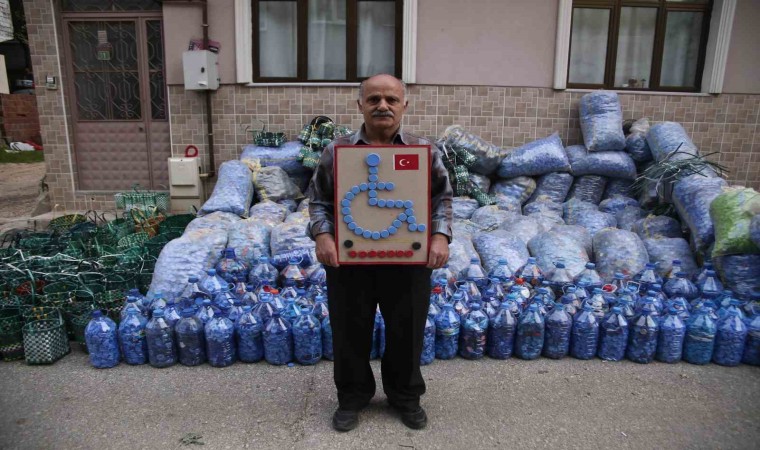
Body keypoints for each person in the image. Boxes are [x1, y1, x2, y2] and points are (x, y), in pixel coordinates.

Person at [308, 74, 453, 432]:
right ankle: (352, 397)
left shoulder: (424, 151)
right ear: (361, 105)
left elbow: (442, 198)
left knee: (407, 330)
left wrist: (440, 236)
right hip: (350, 261)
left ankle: (405, 396)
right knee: (349, 331)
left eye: (391, 99)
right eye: (374, 99)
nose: (382, 106)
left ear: (405, 105)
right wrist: (323, 236)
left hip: (408, 261)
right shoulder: (337, 151)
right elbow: (318, 200)